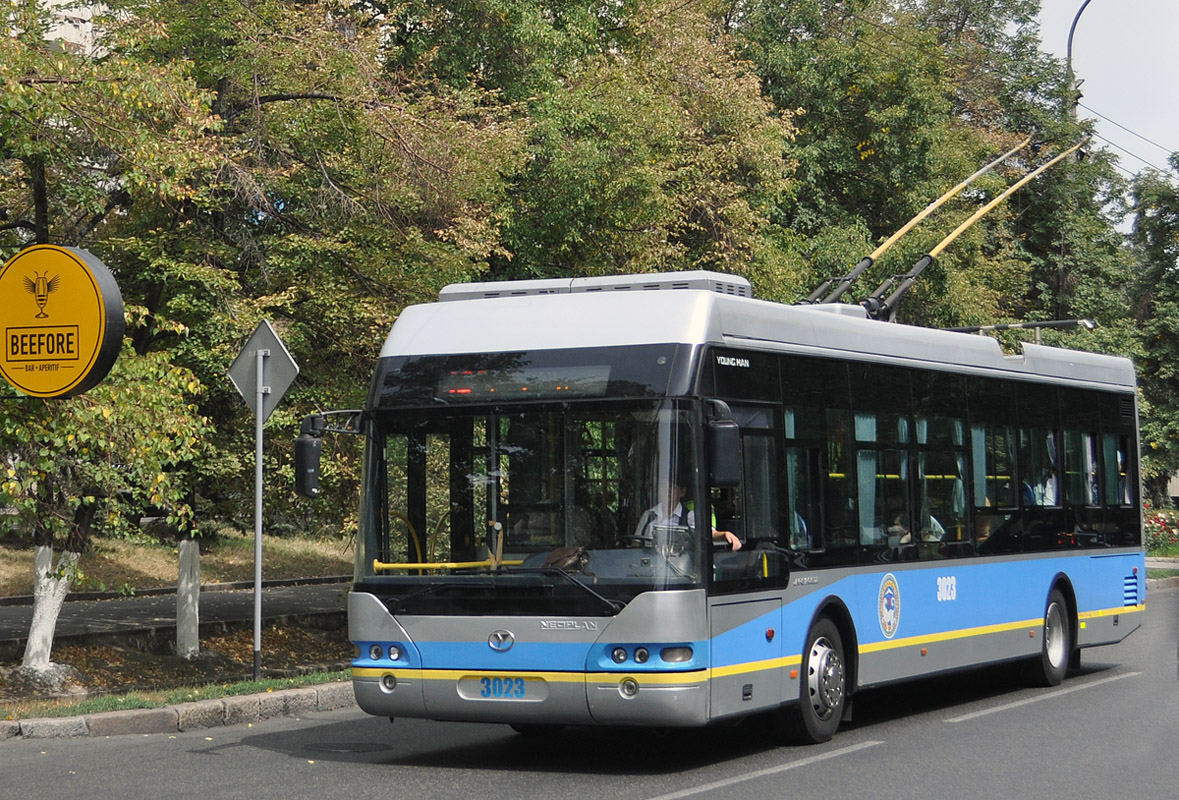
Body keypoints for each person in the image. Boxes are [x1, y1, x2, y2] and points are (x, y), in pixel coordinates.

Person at [636, 477, 742, 550]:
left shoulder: (689, 516)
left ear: (682, 492)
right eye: (664, 486)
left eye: (672, 486)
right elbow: (635, 544)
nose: (668, 490)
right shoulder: (648, 515)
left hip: (679, 572)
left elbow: (707, 533)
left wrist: (725, 534)